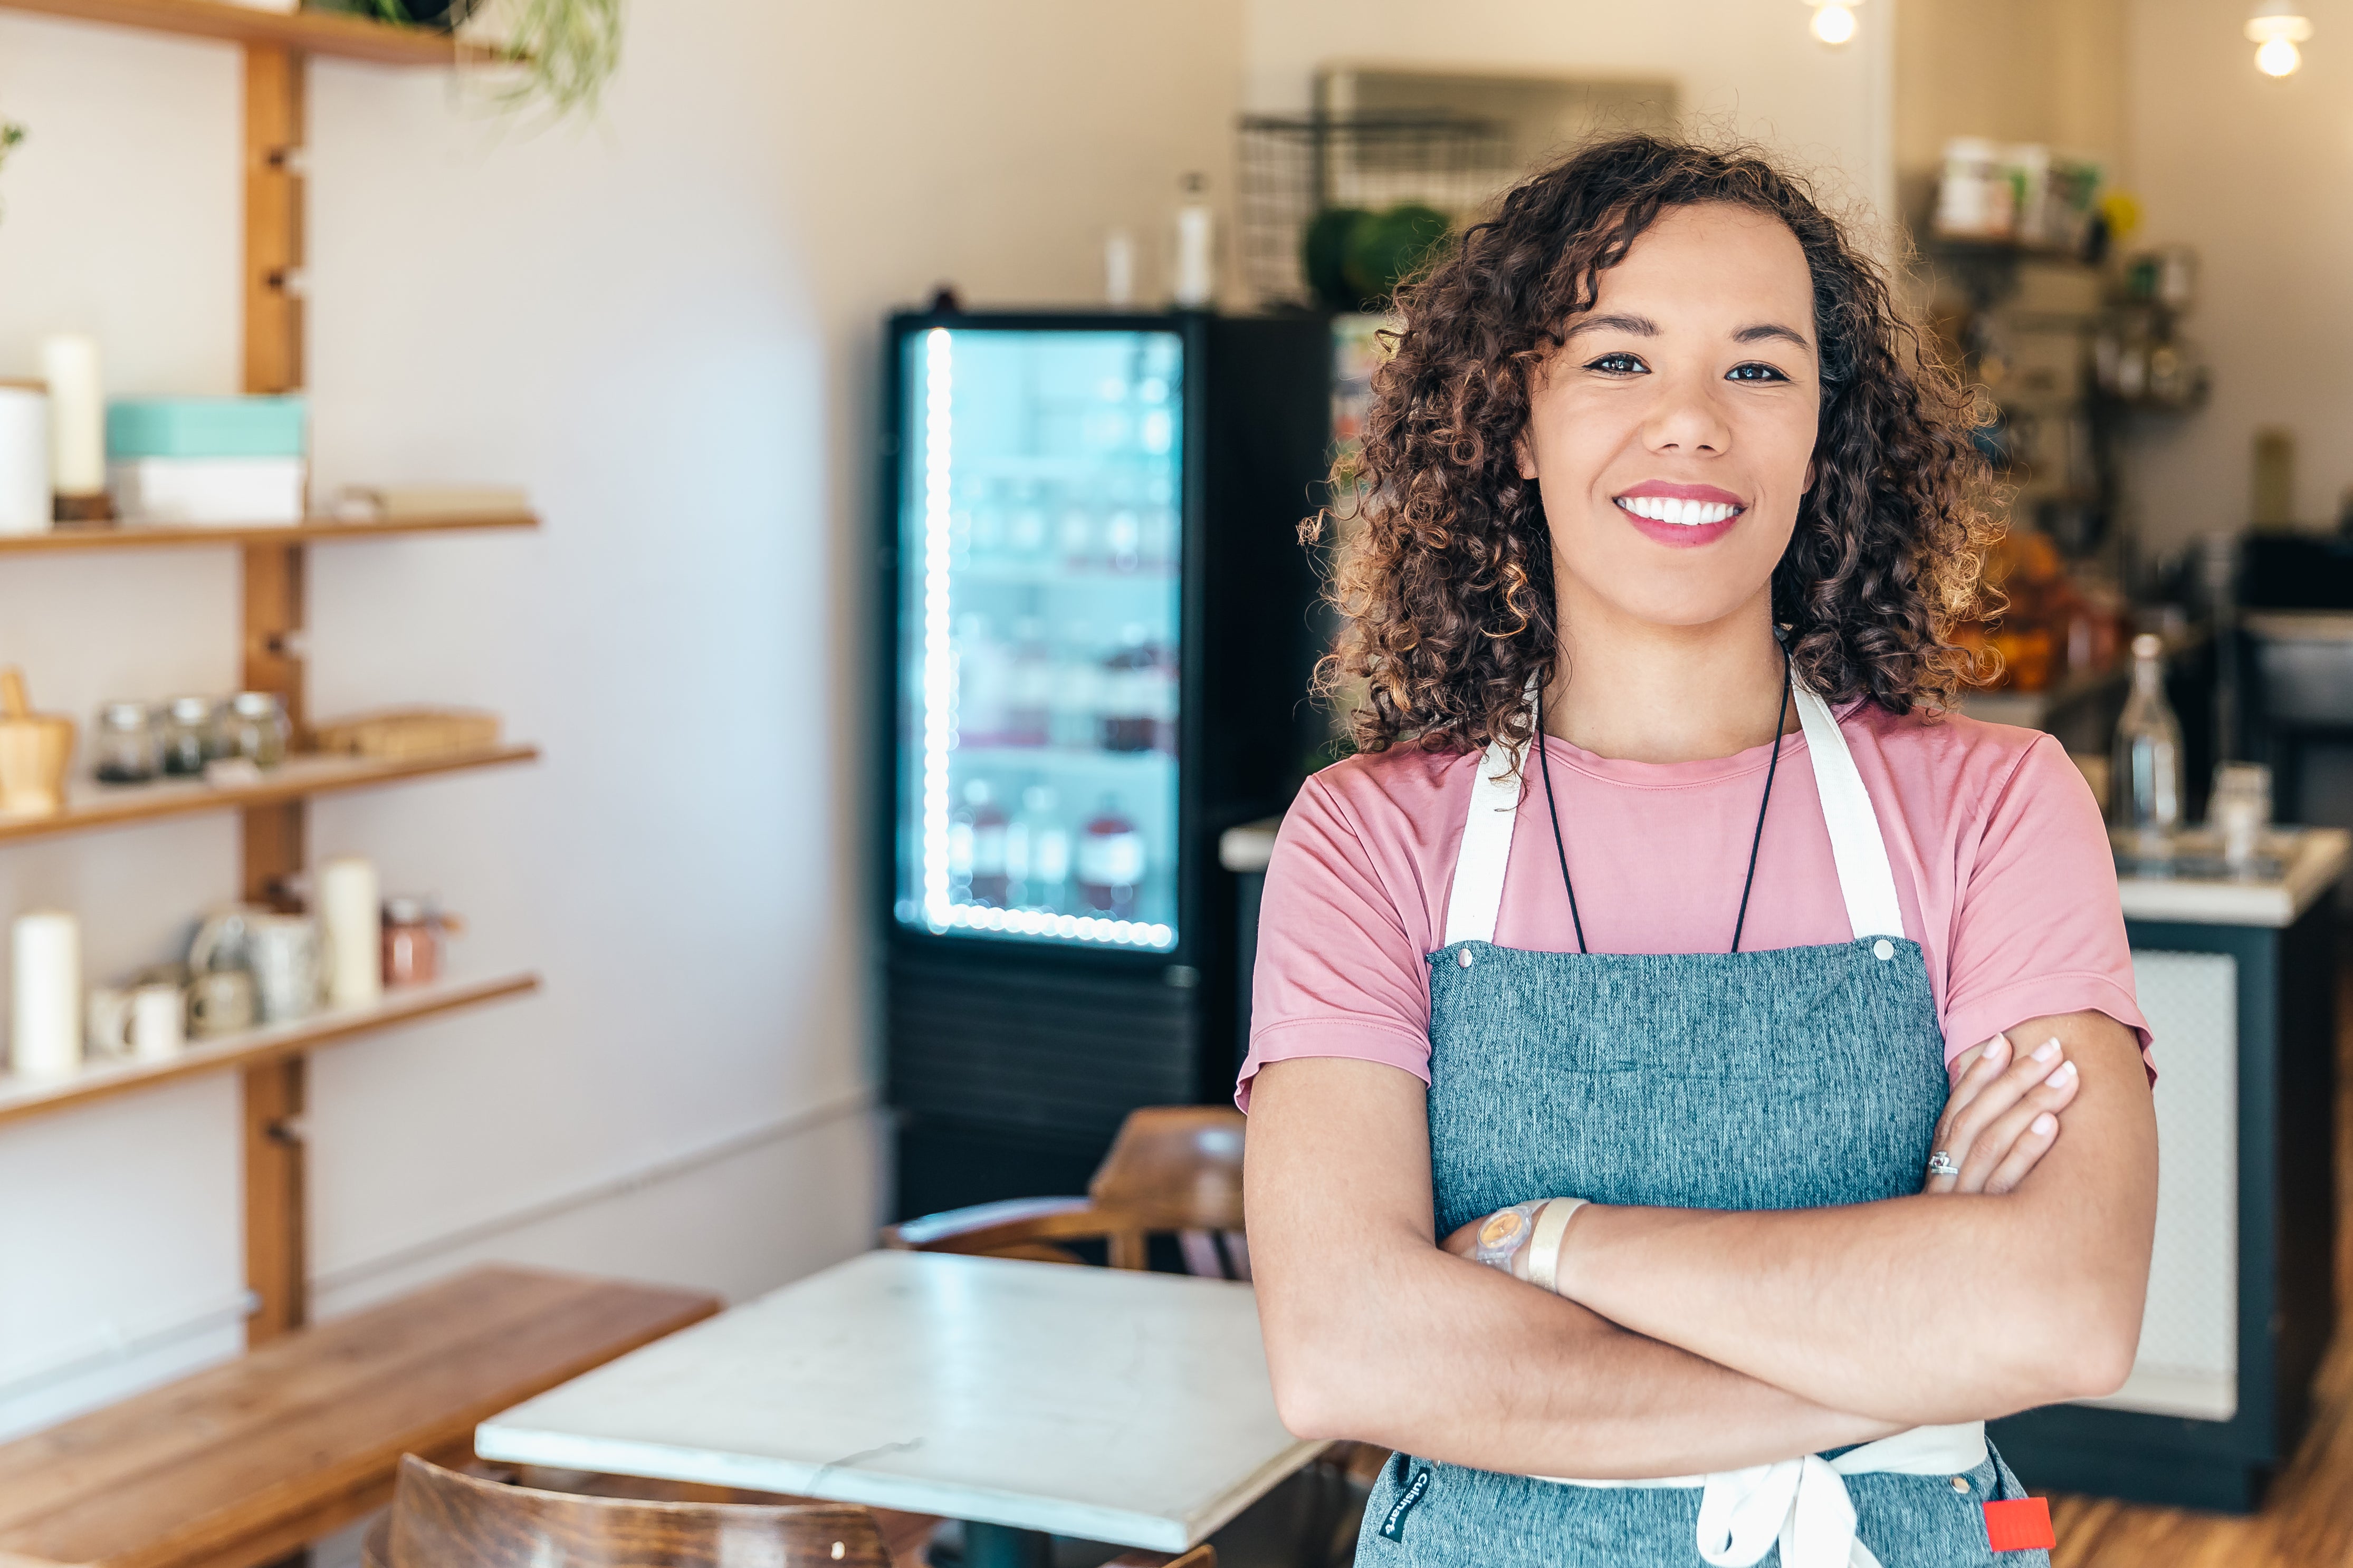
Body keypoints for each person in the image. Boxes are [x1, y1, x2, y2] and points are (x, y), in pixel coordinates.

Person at [1238, 134, 2158, 1568]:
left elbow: (2063, 1313)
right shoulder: (1367, 840)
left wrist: (1551, 1244)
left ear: (1821, 436)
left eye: (1757, 367)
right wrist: (1896, 1331)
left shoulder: (1994, 805)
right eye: (1616, 360)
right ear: (1515, 422)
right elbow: (1348, 1357)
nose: (1689, 422)